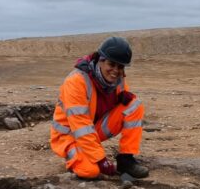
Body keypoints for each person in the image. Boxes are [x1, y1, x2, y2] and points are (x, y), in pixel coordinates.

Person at [50, 36, 149, 179]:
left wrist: (123, 98)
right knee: (91, 171)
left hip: (91, 129)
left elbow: (123, 101)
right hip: (69, 135)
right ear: (100, 60)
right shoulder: (76, 81)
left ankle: (125, 160)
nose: (115, 70)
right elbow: (80, 125)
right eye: (112, 64)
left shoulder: (118, 79)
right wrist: (101, 159)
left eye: (120, 66)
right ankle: (75, 156)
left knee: (134, 105)